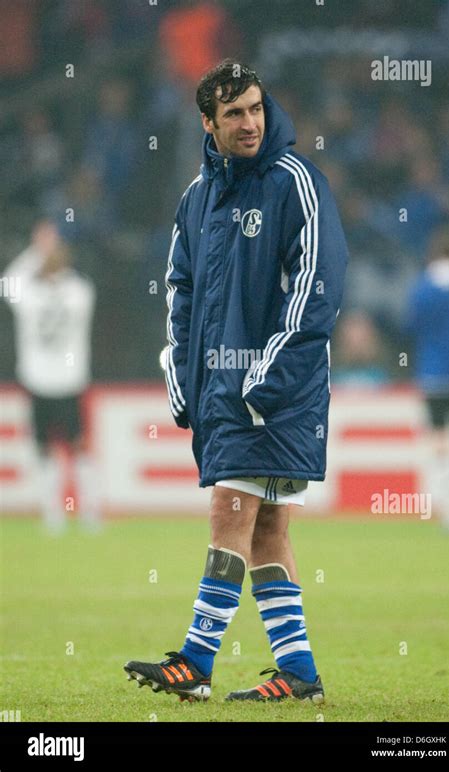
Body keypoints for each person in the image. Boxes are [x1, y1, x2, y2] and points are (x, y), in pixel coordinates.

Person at [125, 60, 348, 702]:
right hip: (226, 393)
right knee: (269, 526)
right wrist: (181, 370)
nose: (250, 123)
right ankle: (300, 675)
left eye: (255, 108)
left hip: (277, 390)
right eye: (234, 114)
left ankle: (195, 663)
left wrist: (263, 380)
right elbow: (182, 290)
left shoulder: (295, 181)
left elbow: (317, 287)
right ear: (209, 123)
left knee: (231, 513)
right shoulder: (197, 199)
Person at [2, 220, 99, 534]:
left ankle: (53, 514)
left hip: (39, 379)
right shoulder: (80, 292)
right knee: (79, 446)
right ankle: (88, 512)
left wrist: (37, 248)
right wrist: (52, 253)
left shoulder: (30, 295)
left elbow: (8, 282)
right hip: (71, 378)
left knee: (44, 448)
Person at [406, 225, 449, 531]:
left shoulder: (422, 288)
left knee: (440, 441)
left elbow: (411, 327)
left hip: (434, 376)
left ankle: (448, 508)